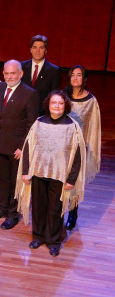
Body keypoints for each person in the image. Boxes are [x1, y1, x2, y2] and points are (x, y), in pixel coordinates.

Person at [16, 90, 86, 256]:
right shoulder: (39, 123)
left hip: (60, 176)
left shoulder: (72, 126)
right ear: (48, 104)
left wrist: (71, 179)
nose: (57, 106)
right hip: (39, 172)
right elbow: (27, 148)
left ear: (65, 106)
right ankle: (39, 236)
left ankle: (53, 240)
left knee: (56, 209)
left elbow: (77, 155)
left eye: (60, 103)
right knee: (39, 207)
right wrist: (26, 172)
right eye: (54, 103)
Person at [0, 60, 39, 230]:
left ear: (21, 74)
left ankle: (13, 213)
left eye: (13, 73)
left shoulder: (30, 94)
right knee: (2, 179)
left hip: (16, 148)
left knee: (15, 182)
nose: (9, 76)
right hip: (0, 143)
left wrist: (22, 147)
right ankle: (3, 207)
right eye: (7, 74)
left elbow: (32, 125)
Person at [63, 65, 101, 230]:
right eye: (73, 75)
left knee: (75, 182)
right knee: (60, 181)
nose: (75, 78)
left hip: (79, 148)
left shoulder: (91, 101)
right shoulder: (62, 96)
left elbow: (93, 126)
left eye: (79, 75)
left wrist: (88, 147)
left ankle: (72, 213)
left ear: (85, 79)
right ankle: (58, 211)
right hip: (62, 147)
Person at [21, 35, 61, 114]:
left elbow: (54, 96)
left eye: (41, 48)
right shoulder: (21, 66)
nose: (37, 51)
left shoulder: (54, 70)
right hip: (21, 113)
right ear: (30, 49)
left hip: (41, 114)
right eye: (35, 47)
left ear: (46, 50)